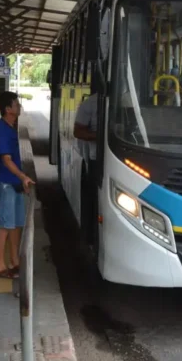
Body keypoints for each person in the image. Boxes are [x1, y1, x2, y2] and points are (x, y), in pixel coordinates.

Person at [0, 91, 34, 279]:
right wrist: (23, 177)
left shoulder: (11, 127)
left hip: (14, 184)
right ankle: (0, 266)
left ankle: (15, 261)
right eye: (16, 104)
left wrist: (21, 179)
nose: (19, 107)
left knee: (16, 225)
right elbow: (6, 160)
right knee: (5, 226)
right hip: (5, 184)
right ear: (8, 109)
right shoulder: (0, 130)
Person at [73, 88, 99, 245]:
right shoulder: (90, 103)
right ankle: (88, 237)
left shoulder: (130, 100)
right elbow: (78, 131)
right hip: (96, 160)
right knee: (92, 200)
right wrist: (100, 136)